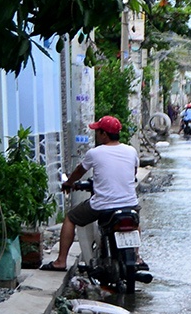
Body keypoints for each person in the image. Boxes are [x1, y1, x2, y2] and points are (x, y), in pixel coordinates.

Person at [43, 115, 138, 272]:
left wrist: (69, 183)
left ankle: (60, 261)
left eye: (98, 132)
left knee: (70, 218)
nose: (96, 135)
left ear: (104, 134)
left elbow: (79, 171)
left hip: (102, 206)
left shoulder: (95, 153)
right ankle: (137, 256)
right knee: (135, 223)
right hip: (130, 204)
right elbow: (133, 173)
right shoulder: (131, 151)